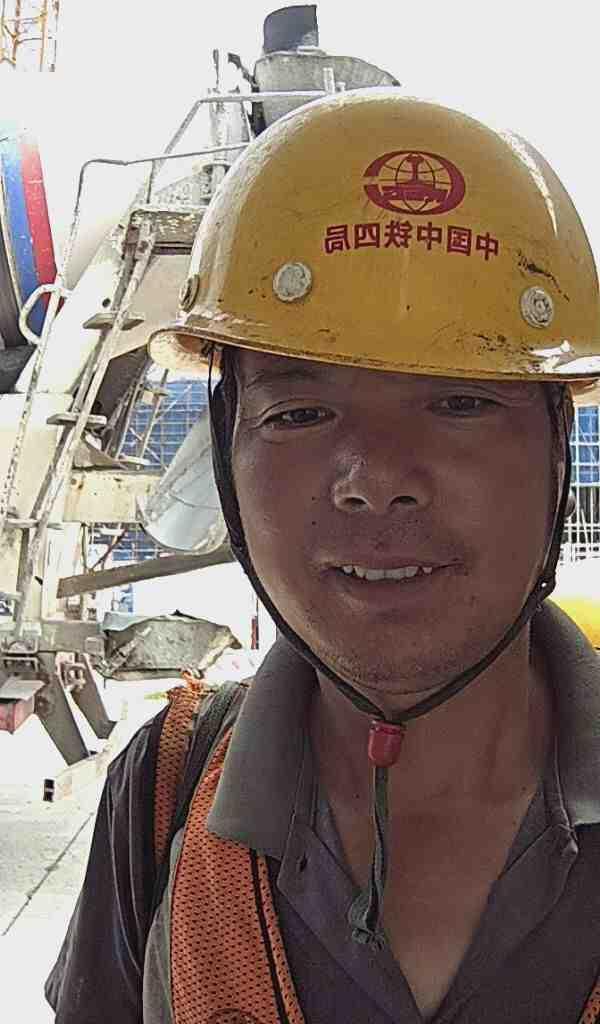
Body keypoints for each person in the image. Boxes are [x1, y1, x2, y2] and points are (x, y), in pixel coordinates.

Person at [47, 90, 600, 1023]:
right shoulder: (163, 794)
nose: (375, 480)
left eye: (459, 402)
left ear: (558, 446)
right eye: (300, 412)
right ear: (229, 452)